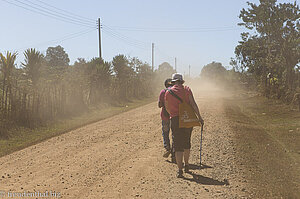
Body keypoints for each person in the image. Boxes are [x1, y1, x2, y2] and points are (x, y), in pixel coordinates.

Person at [165, 73, 204, 178]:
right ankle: (187, 165)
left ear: (173, 81)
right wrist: (199, 117)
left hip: (175, 120)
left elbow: (167, 108)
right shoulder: (187, 90)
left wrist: (173, 114)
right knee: (187, 142)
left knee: (178, 145)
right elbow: (193, 104)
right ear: (182, 81)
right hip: (187, 118)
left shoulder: (168, 92)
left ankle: (180, 170)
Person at [158, 78, 175, 161]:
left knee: (165, 133)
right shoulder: (176, 91)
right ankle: (174, 151)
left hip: (165, 116)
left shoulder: (163, 92)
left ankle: (167, 147)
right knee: (174, 133)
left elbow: (160, 105)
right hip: (175, 116)